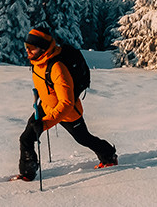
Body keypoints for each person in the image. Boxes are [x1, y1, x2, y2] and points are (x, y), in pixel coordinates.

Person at [17, 28, 117, 181]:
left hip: (68, 113)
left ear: (43, 49)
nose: (28, 51)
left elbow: (67, 103)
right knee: (26, 138)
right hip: (46, 106)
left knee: (84, 139)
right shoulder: (38, 62)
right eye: (26, 47)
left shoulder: (57, 68)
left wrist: (45, 124)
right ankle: (27, 173)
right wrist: (41, 95)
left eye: (32, 48)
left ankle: (108, 155)